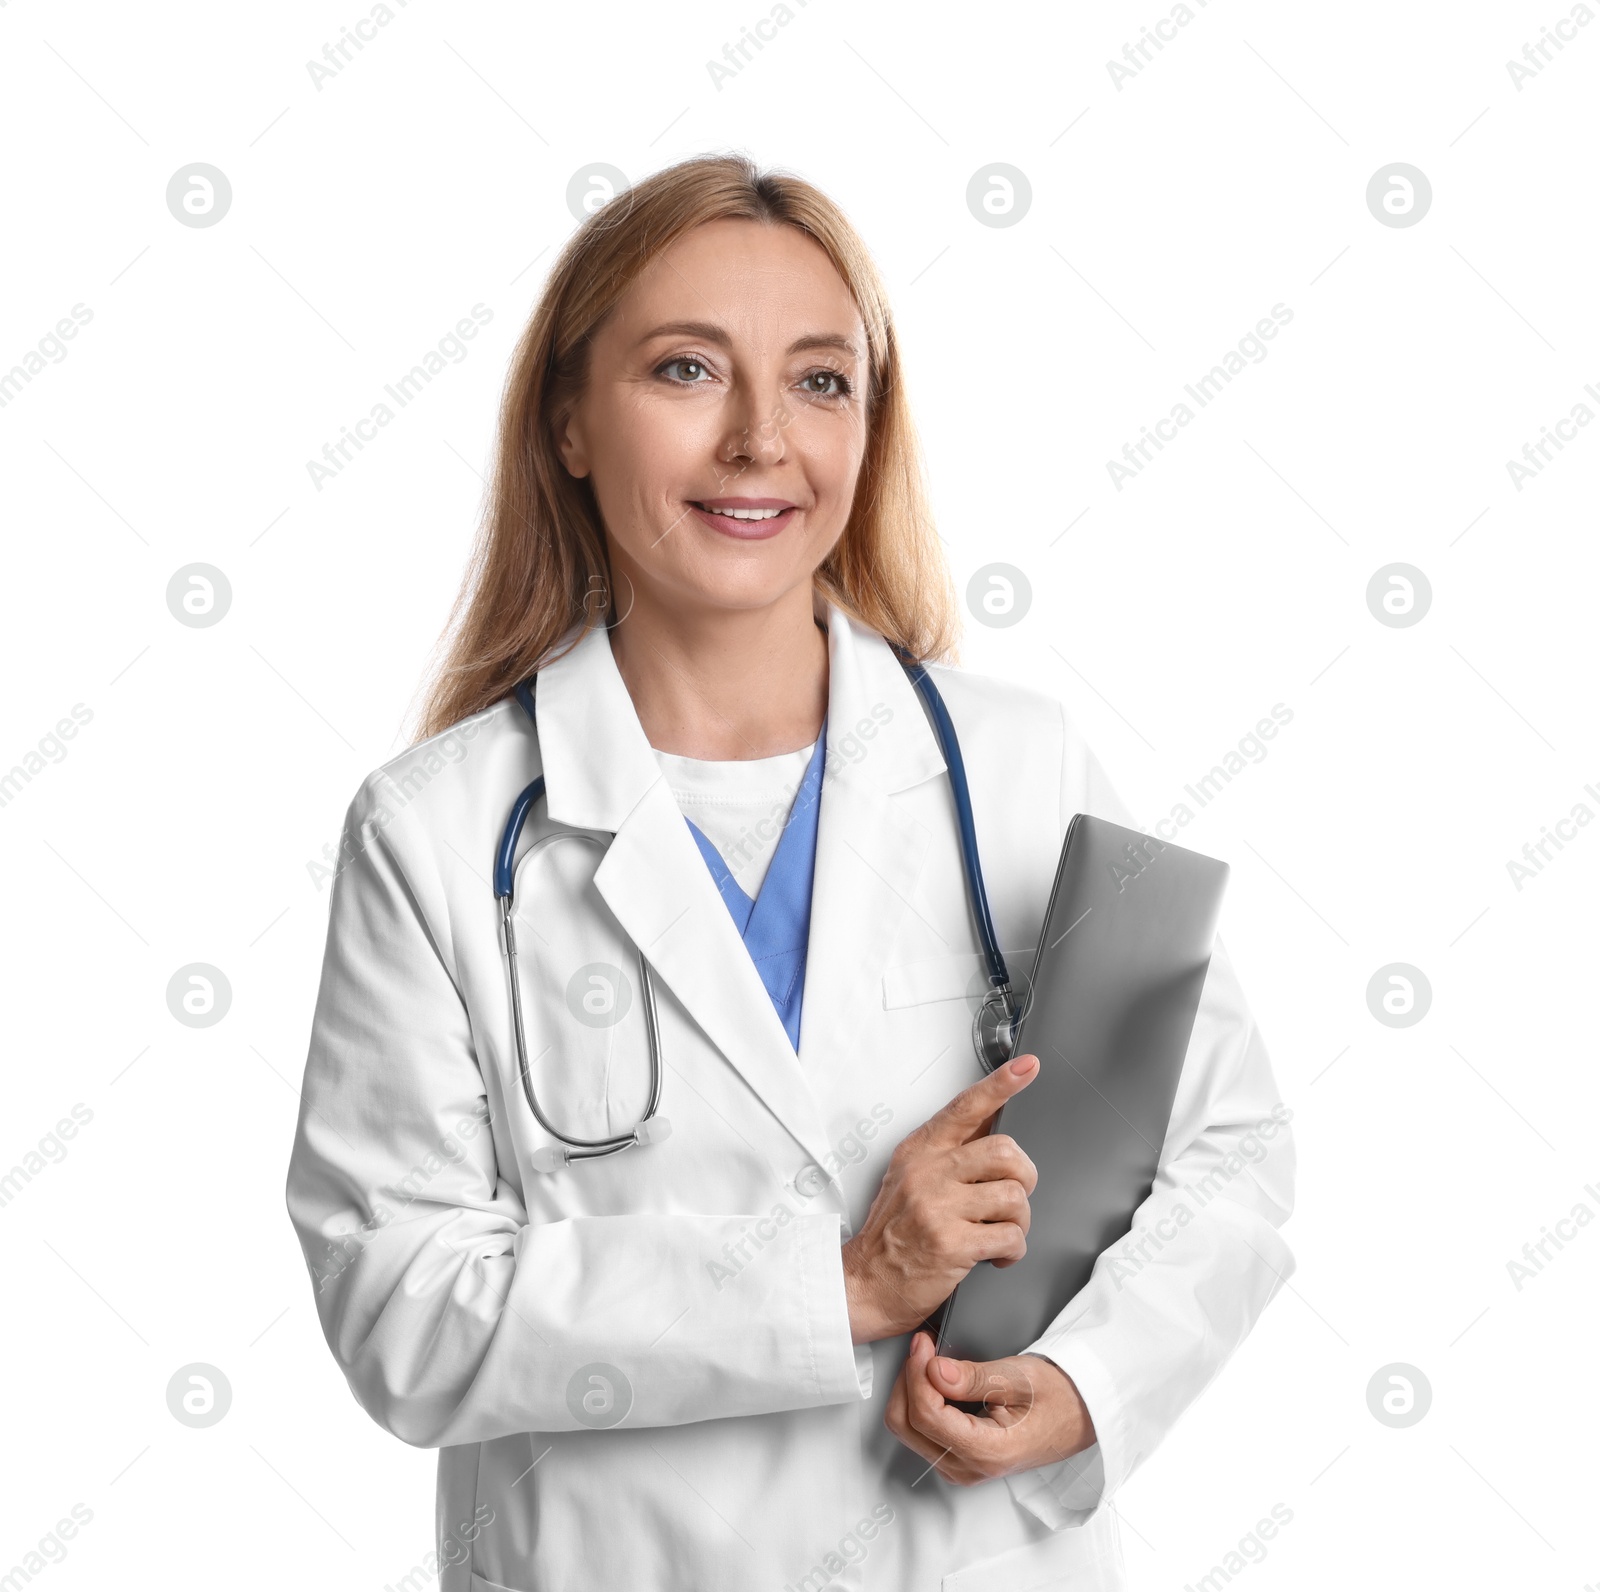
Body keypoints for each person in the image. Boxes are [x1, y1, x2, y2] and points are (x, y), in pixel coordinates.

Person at [284, 152, 1295, 1592]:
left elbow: (1231, 1155)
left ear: (869, 429)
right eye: (689, 370)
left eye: (821, 381)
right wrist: (835, 1286)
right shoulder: (437, 833)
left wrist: (1087, 1385)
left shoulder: (1018, 768)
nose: (763, 439)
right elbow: (404, 1310)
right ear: (569, 422)